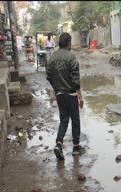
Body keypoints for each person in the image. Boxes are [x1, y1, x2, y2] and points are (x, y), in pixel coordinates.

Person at [46, 32, 85, 161]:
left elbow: (49, 76)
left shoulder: (52, 58)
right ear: (68, 42)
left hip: (60, 94)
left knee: (63, 120)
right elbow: (76, 80)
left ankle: (59, 144)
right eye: (70, 42)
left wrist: (57, 89)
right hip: (71, 94)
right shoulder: (71, 57)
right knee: (75, 120)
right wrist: (80, 97)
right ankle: (76, 147)